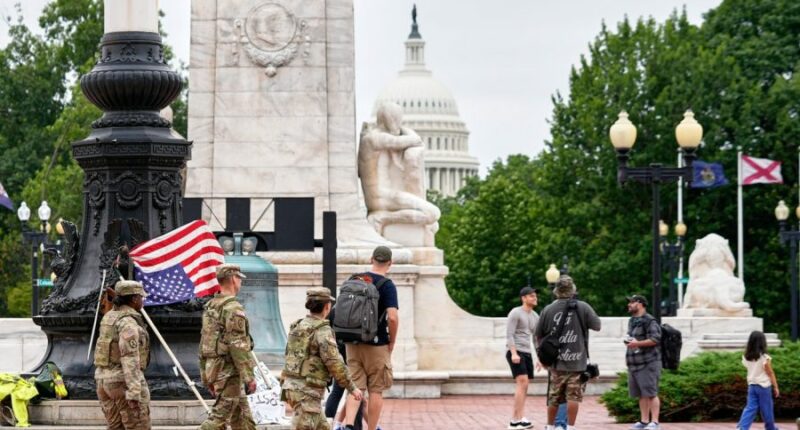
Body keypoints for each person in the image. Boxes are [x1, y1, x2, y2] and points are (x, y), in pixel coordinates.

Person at [282, 287, 364, 430]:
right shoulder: (322, 330)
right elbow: (335, 363)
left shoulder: (297, 325)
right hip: (307, 393)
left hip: (292, 387)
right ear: (327, 307)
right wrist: (353, 388)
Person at [342, 246, 399, 430]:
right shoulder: (387, 285)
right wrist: (392, 341)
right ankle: (372, 429)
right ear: (390, 263)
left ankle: (349, 425)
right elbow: (392, 317)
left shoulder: (355, 278)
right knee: (376, 390)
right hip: (376, 343)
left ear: (371, 259)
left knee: (355, 386)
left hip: (352, 341)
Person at [534, 275, 601, 430]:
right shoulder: (583, 307)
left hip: (556, 362)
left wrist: (542, 356)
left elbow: (538, 334)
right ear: (573, 290)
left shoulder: (548, 309)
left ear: (556, 291)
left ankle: (550, 426)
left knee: (554, 397)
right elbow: (597, 325)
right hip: (577, 362)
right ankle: (570, 427)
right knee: (574, 396)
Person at [199, 264, 257, 430]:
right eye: (239, 278)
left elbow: (204, 342)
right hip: (228, 371)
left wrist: (205, 374)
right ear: (233, 278)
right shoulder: (232, 308)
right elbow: (238, 345)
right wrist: (248, 377)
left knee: (244, 420)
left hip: (216, 369)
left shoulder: (211, 306)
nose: (240, 282)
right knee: (219, 418)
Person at [94, 280, 151, 430]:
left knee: (115, 426)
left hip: (103, 381)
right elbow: (130, 359)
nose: (142, 300)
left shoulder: (109, 317)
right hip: (122, 383)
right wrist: (134, 392)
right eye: (140, 297)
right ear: (133, 299)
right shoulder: (128, 322)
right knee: (138, 426)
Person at [625, 294, 663, 430]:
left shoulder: (650, 321)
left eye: (631, 302)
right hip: (634, 363)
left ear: (640, 304)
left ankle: (655, 422)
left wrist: (638, 343)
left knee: (651, 393)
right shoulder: (632, 320)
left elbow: (655, 339)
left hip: (649, 362)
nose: (629, 304)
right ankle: (644, 421)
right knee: (641, 393)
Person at [505, 286, 540, 429]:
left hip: (527, 353)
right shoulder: (515, 312)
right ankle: (516, 420)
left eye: (535, 296)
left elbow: (536, 339)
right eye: (531, 296)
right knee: (522, 382)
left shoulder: (535, 316)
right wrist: (513, 353)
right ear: (524, 298)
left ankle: (517, 418)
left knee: (525, 385)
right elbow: (509, 334)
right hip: (515, 351)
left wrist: (540, 357)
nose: (535, 298)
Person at [736, 331, 780, 430]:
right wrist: (776, 387)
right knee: (766, 409)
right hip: (764, 387)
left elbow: (749, 368)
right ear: (762, 342)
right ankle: (771, 428)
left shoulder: (746, 356)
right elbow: (770, 373)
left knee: (750, 408)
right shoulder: (764, 357)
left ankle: (742, 428)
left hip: (752, 386)